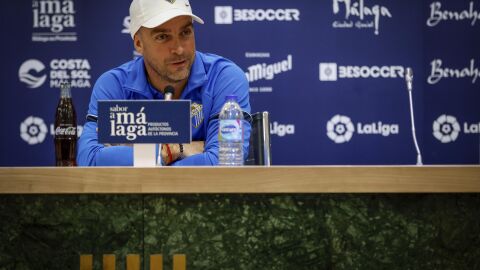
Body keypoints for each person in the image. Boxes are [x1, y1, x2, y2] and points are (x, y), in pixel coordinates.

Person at [77, 0, 251, 166]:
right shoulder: (113, 85)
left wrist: (138, 157)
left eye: (185, 33)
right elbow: (89, 158)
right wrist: (168, 151)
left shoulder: (224, 77)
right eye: (162, 37)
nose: (179, 49)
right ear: (139, 43)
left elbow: (223, 160)